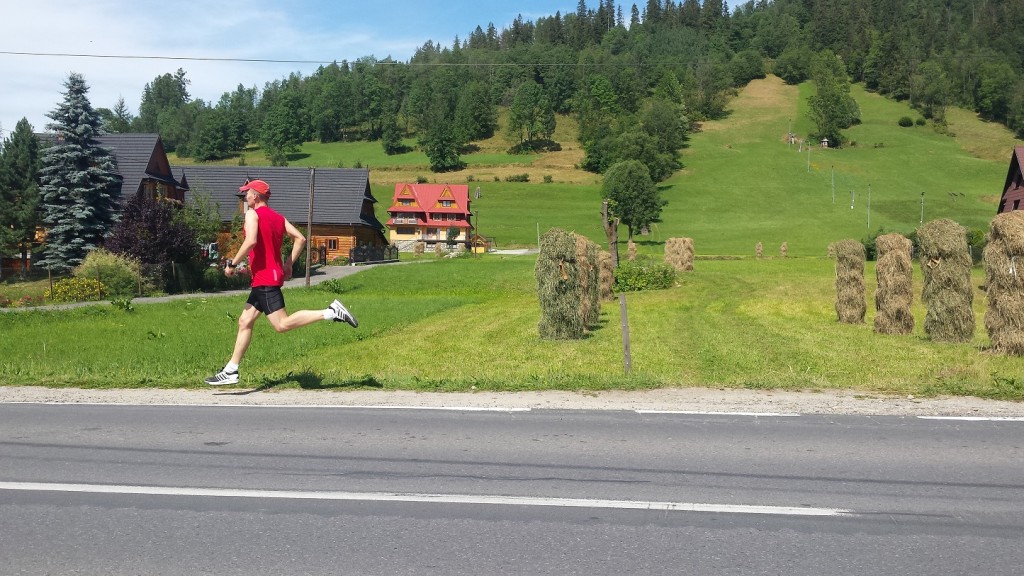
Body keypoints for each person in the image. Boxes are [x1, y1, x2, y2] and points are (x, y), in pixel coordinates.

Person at [205, 179, 358, 386]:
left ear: (256, 196)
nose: (244, 197)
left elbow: (251, 241)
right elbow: (300, 239)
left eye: (246, 194)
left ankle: (331, 312)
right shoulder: (278, 217)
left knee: (282, 324)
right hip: (267, 277)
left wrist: (232, 263)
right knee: (245, 321)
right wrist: (288, 264)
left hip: (265, 279)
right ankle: (231, 370)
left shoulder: (252, 214)